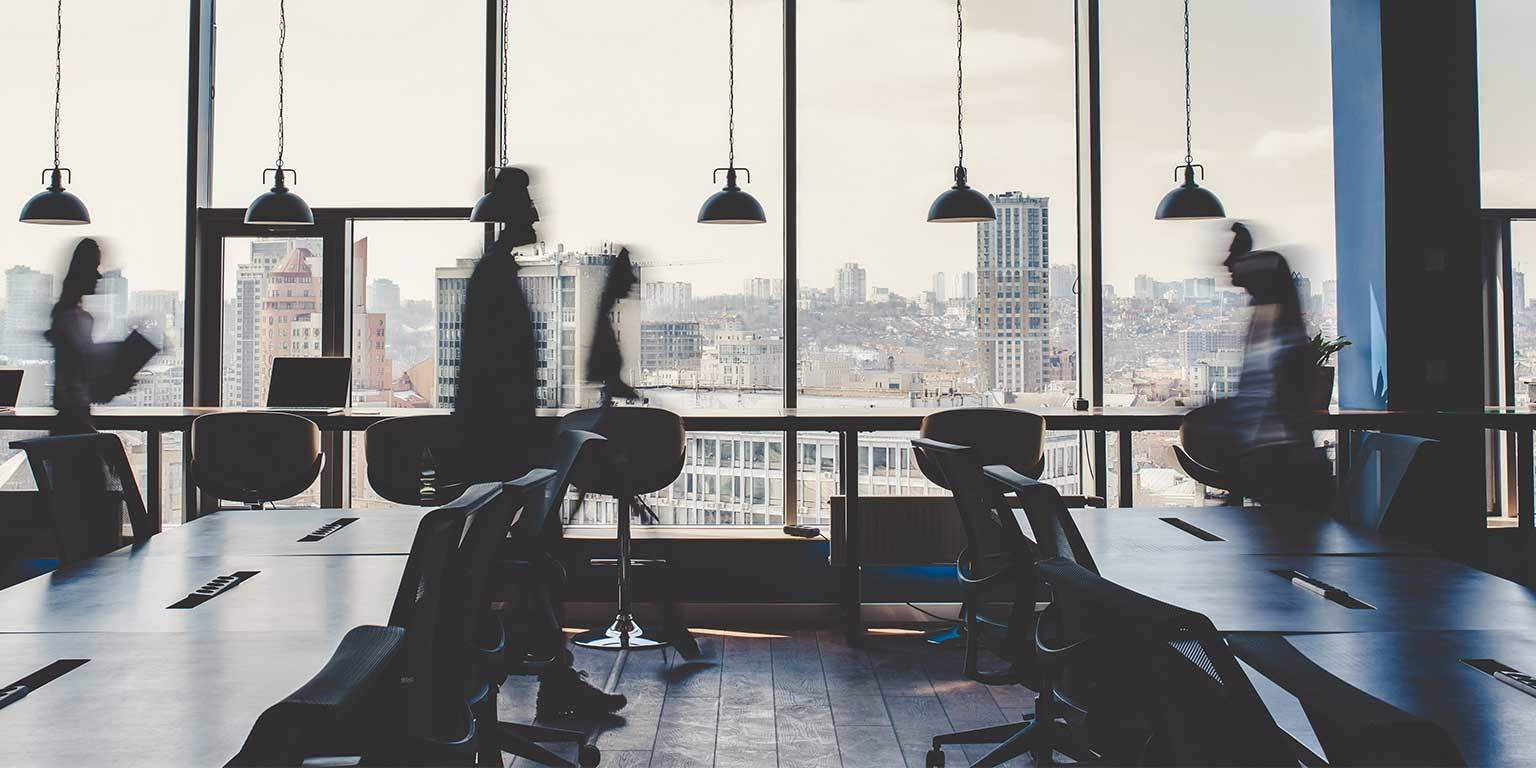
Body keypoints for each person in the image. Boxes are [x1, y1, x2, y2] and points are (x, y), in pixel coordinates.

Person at [451, 167, 626, 720]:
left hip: (497, 451)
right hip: (501, 456)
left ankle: (535, 680)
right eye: (528, 208)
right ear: (507, 215)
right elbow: (498, 378)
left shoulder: (494, 277)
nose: (536, 217)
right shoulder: (496, 281)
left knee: (528, 566)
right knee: (531, 565)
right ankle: (550, 683)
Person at [1204, 222, 1331, 506]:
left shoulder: (1273, 331)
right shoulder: (1269, 325)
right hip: (1272, 461)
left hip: (1277, 463)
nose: (1227, 264)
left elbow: (1268, 401)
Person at [46, 238, 138, 435]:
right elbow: (81, 373)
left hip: (71, 418)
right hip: (75, 419)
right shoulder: (74, 318)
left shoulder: (67, 315)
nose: (98, 276)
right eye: (93, 268)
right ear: (81, 272)